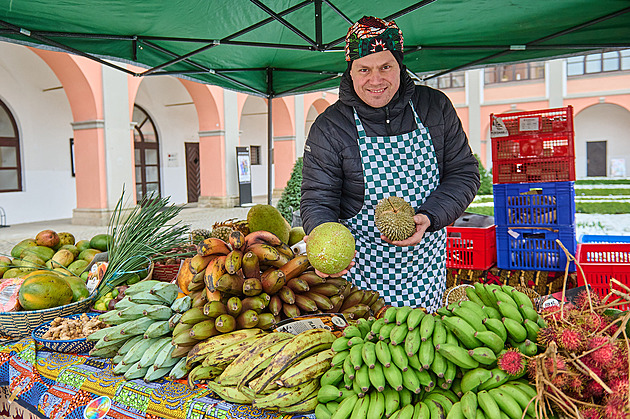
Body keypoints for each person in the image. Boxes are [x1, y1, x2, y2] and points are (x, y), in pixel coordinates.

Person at [300, 16, 480, 312]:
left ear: (400, 65)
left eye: (386, 66)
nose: (376, 79)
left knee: (423, 342)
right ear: (351, 71)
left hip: (425, 272)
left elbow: (463, 172)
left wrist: (429, 217)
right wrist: (323, 238)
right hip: (358, 277)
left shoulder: (434, 107)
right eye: (364, 69)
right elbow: (318, 196)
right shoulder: (330, 126)